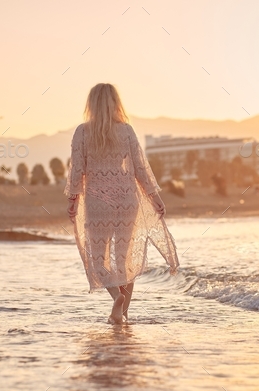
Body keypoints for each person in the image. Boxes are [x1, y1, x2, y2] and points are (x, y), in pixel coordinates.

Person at [64, 83, 179, 324]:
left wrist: (73, 199)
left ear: (91, 104)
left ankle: (116, 298)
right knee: (124, 258)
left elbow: (77, 171)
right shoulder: (126, 131)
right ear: (116, 103)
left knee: (98, 259)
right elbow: (140, 169)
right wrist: (155, 197)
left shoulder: (82, 132)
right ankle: (123, 313)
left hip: (98, 202)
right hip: (127, 201)